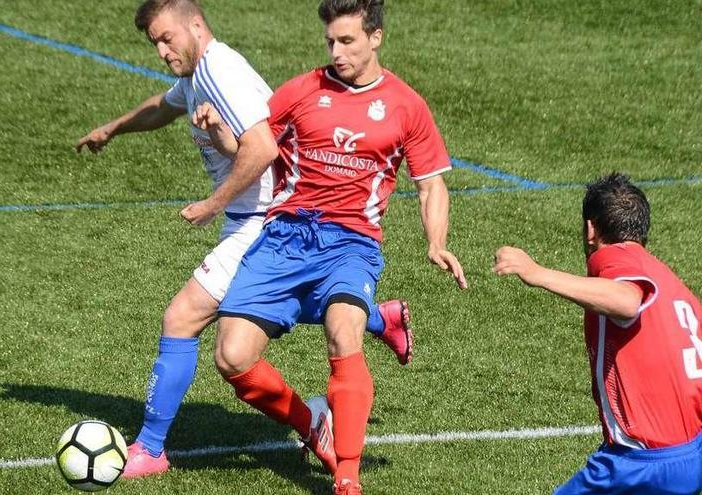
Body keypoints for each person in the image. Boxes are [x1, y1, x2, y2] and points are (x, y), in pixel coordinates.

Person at [74, 0, 414, 479]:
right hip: (251, 217)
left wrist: (213, 204)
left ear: (195, 25)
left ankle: (151, 448)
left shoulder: (223, 73)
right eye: (154, 43)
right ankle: (379, 320)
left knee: (182, 317)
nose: (162, 51)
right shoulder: (198, 73)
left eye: (167, 38)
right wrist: (114, 127)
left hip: (264, 218)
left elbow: (263, 147)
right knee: (264, 324)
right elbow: (166, 104)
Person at [201, 1, 467, 492]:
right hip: (284, 238)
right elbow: (251, 151)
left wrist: (437, 242)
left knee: (343, 331)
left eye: (346, 41)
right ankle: (310, 423)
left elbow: (431, 183)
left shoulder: (407, 105)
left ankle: (347, 477)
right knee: (232, 357)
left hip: (351, 243)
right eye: (330, 42)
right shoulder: (301, 91)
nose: (336, 52)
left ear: (376, 38)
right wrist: (219, 130)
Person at [494, 173, 702, 495]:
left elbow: (627, 301)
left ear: (591, 229)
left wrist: (537, 273)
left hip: (641, 463)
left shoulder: (615, 258)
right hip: (691, 453)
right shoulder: (675, 286)